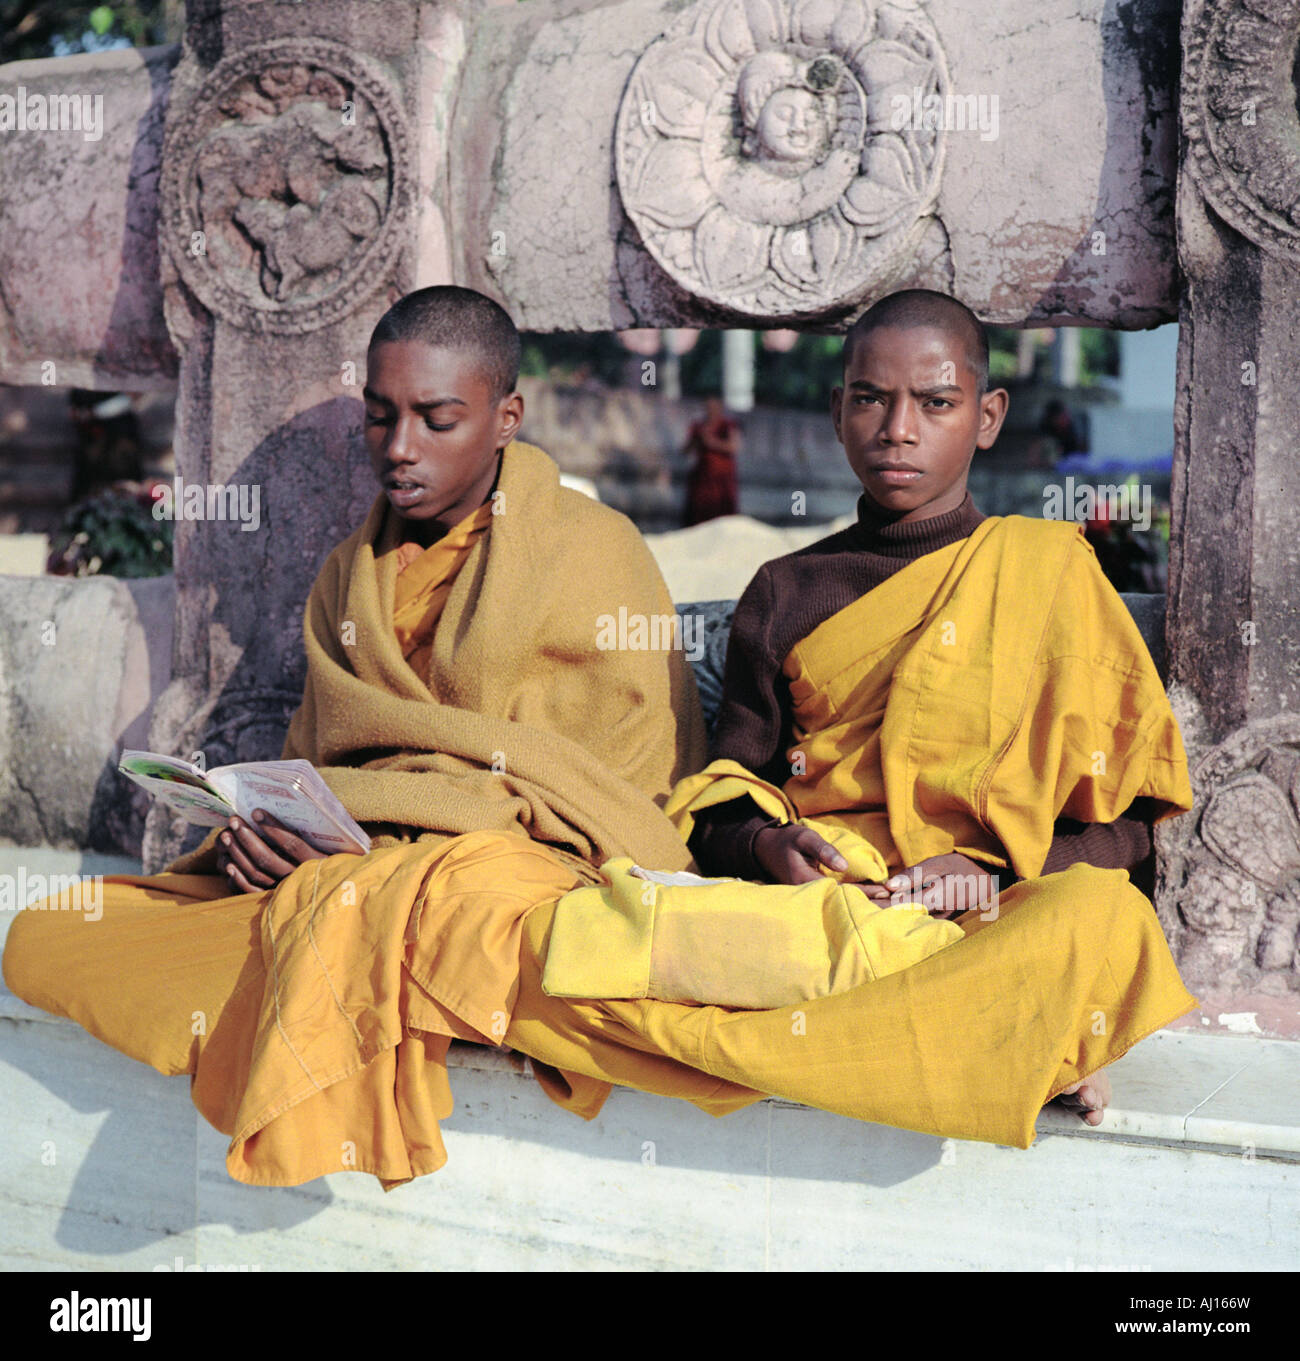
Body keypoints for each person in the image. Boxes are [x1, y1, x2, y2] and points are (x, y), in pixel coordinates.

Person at [4, 285, 707, 1188]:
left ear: (505, 419)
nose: (399, 447)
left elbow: (622, 795)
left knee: (441, 915)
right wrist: (267, 841)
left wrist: (403, 845)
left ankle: (330, 982)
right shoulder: (352, 571)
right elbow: (324, 764)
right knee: (46, 938)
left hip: (507, 880)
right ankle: (330, 952)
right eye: (380, 417)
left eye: (436, 419)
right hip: (351, 874)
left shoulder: (595, 553)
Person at [498, 289, 1196, 1144]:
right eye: (870, 398)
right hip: (830, 908)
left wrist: (991, 866)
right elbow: (721, 803)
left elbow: (1129, 826)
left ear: (986, 416)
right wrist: (768, 843)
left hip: (983, 910)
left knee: (1099, 914)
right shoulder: (785, 590)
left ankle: (984, 1010)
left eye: (935, 403)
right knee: (604, 922)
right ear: (838, 411)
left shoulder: (1049, 569)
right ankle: (1013, 1030)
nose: (898, 428)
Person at [682, 396, 740, 526]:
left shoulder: (727, 425)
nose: (711, 410)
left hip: (721, 477)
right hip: (703, 475)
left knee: (722, 512)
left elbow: (734, 446)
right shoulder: (698, 426)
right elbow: (685, 450)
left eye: (714, 407)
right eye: (708, 407)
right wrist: (696, 440)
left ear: (720, 408)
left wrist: (712, 442)